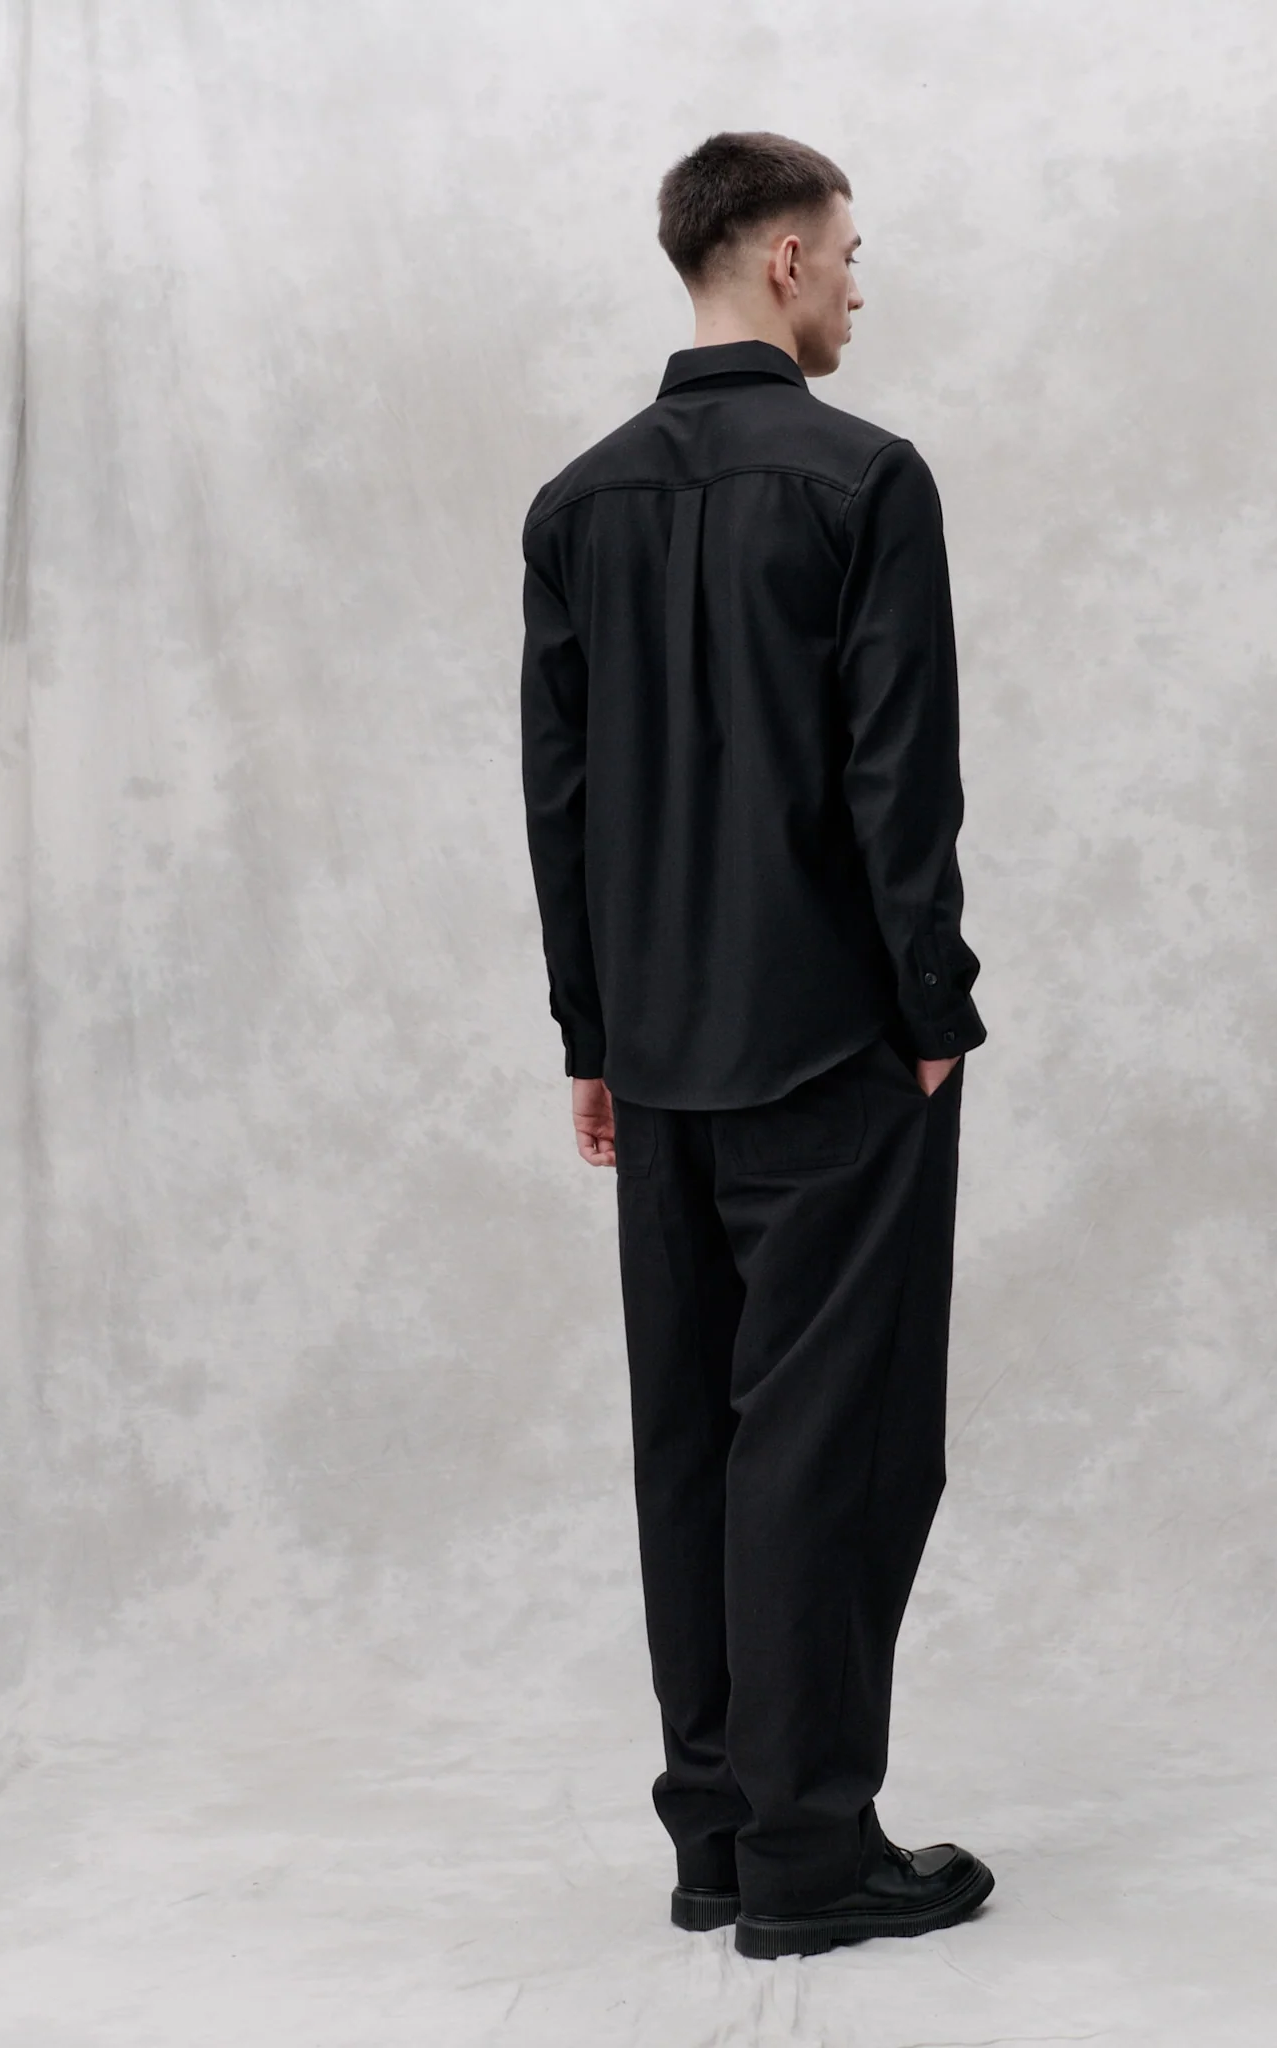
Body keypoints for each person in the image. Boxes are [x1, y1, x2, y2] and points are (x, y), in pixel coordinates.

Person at [518, 129, 993, 1960]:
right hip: (833, 1050)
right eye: (849, 252)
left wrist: (589, 1030)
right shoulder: (865, 479)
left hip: (656, 1054)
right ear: (781, 257)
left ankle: (716, 1834)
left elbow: (559, 799)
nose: (861, 283)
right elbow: (899, 776)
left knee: (693, 1440)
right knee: (832, 1444)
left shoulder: (576, 504)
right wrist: (931, 1008)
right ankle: (809, 1854)